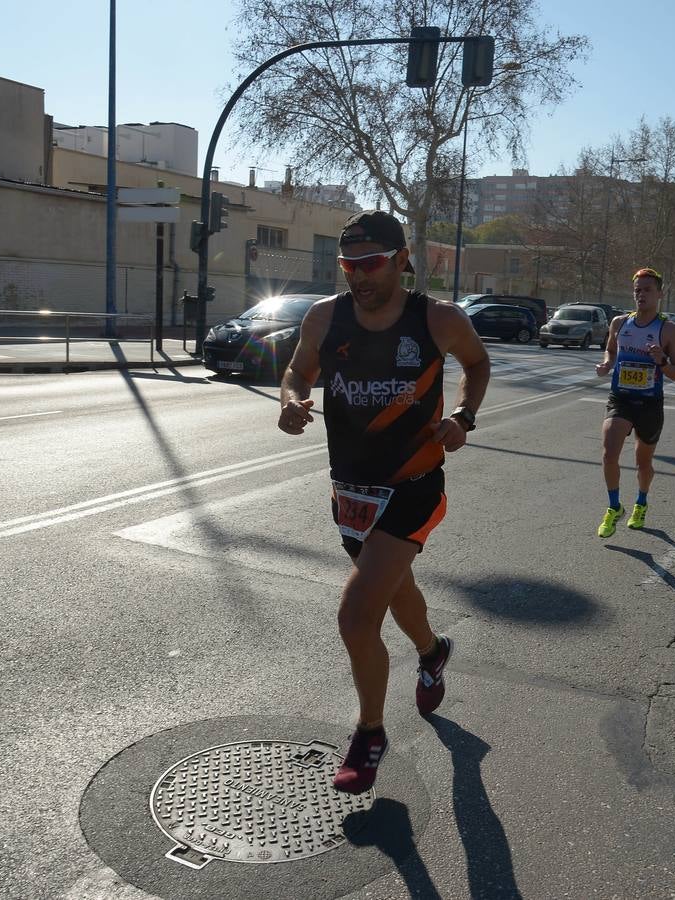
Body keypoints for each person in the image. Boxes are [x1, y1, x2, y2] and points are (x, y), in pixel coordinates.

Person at [277, 210, 490, 795]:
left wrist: (464, 415)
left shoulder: (437, 319)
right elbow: (297, 370)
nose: (358, 277)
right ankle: (433, 649)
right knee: (395, 592)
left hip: (414, 488)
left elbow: (476, 363)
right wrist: (291, 399)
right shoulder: (326, 316)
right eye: (349, 266)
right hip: (350, 493)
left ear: (400, 260)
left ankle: (369, 733)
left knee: (355, 615)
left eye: (370, 264)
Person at [593, 267, 675, 536]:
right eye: (637, 290)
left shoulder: (668, 330)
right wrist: (607, 364)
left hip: (649, 404)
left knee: (642, 463)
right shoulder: (620, 323)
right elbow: (612, 349)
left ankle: (641, 502)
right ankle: (614, 508)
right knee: (609, 453)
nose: (641, 294)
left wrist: (663, 361)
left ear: (660, 294)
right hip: (620, 398)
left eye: (647, 290)